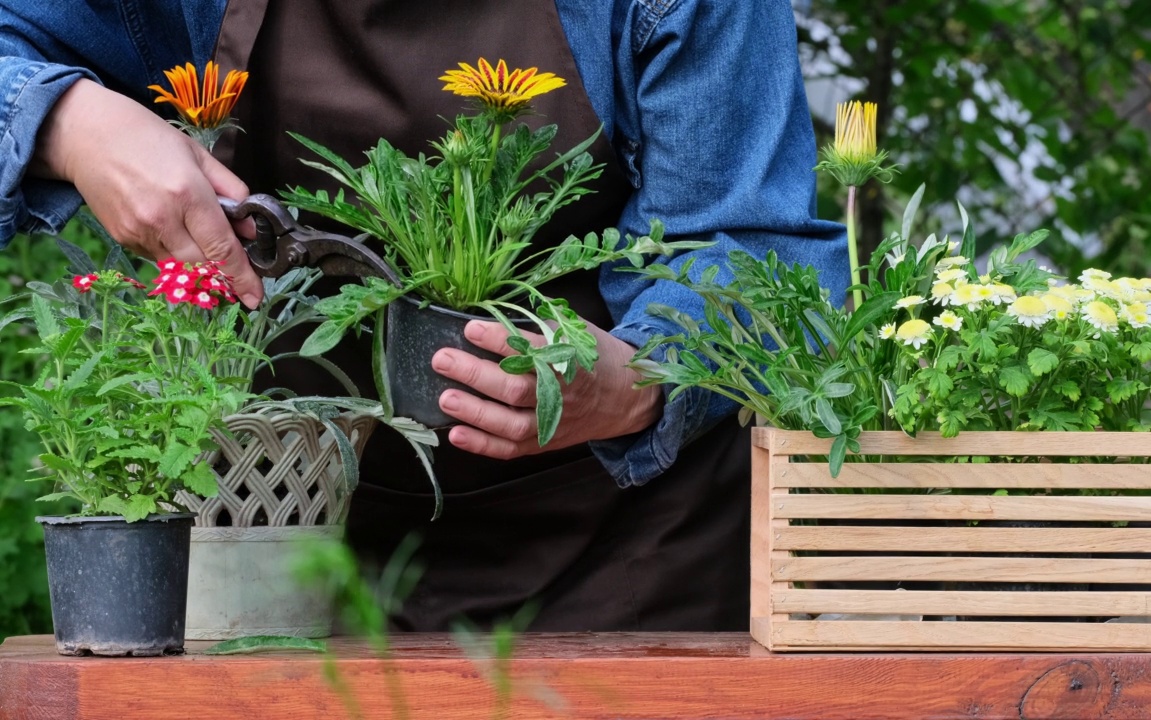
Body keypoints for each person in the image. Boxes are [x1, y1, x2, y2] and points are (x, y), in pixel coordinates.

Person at [0, 0, 846, 631]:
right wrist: (70, 121)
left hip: (626, 560)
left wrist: (640, 379)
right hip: (260, 534)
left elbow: (752, 242)